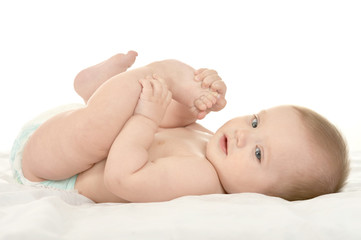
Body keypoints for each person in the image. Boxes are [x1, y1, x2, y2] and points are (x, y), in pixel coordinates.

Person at [10, 51, 349, 203]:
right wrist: (194, 101)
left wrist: (145, 118)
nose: (245, 134)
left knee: (94, 133)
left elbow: (122, 178)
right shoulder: (210, 144)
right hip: (66, 136)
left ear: (264, 197)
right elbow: (168, 122)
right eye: (256, 121)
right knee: (137, 113)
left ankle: (130, 81)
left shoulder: (203, 180)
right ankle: (98, 92)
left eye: (259, 153)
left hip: (56, 172)